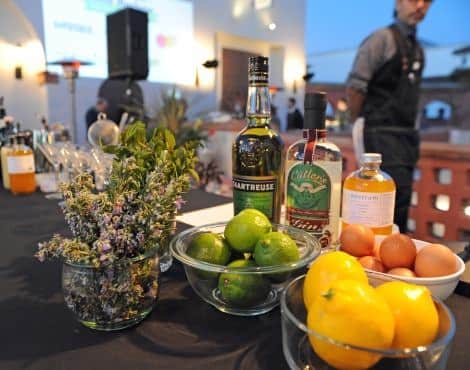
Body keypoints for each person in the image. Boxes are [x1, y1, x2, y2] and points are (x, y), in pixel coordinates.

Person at [346, 0, 433, 233]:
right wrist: (358, 123)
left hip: (406, 137)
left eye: (428, 2)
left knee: (402, 200)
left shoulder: (418, 49)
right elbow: (355, 87)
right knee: (377, 203)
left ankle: (395, 259)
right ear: (398, 3)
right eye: (413, 0)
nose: (421, 6)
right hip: (378, 132)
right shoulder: (381, 39)